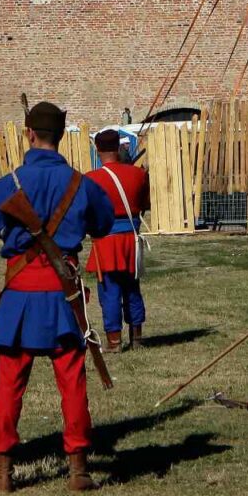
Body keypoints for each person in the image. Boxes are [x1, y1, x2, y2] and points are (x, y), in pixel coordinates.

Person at [0, 101, 115, 492]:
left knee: (9, 386)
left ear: (29, 133)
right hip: (63, 298)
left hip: (20, 298)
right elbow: (102, 224)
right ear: (62, 135)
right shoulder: (81, 183)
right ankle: (79, 469)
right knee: (72, 384)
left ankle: (3, 473)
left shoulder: (10, 183)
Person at [85, 129, 150, 352]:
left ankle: (114, 342)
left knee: (109, 291)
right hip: (130, 239)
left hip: (106, 241)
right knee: (132, 288)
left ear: (98, 149)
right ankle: (137, 339)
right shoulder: (138, 174)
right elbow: (144, 205)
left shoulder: (91, 179)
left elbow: (86, 212)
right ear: (119, 147)